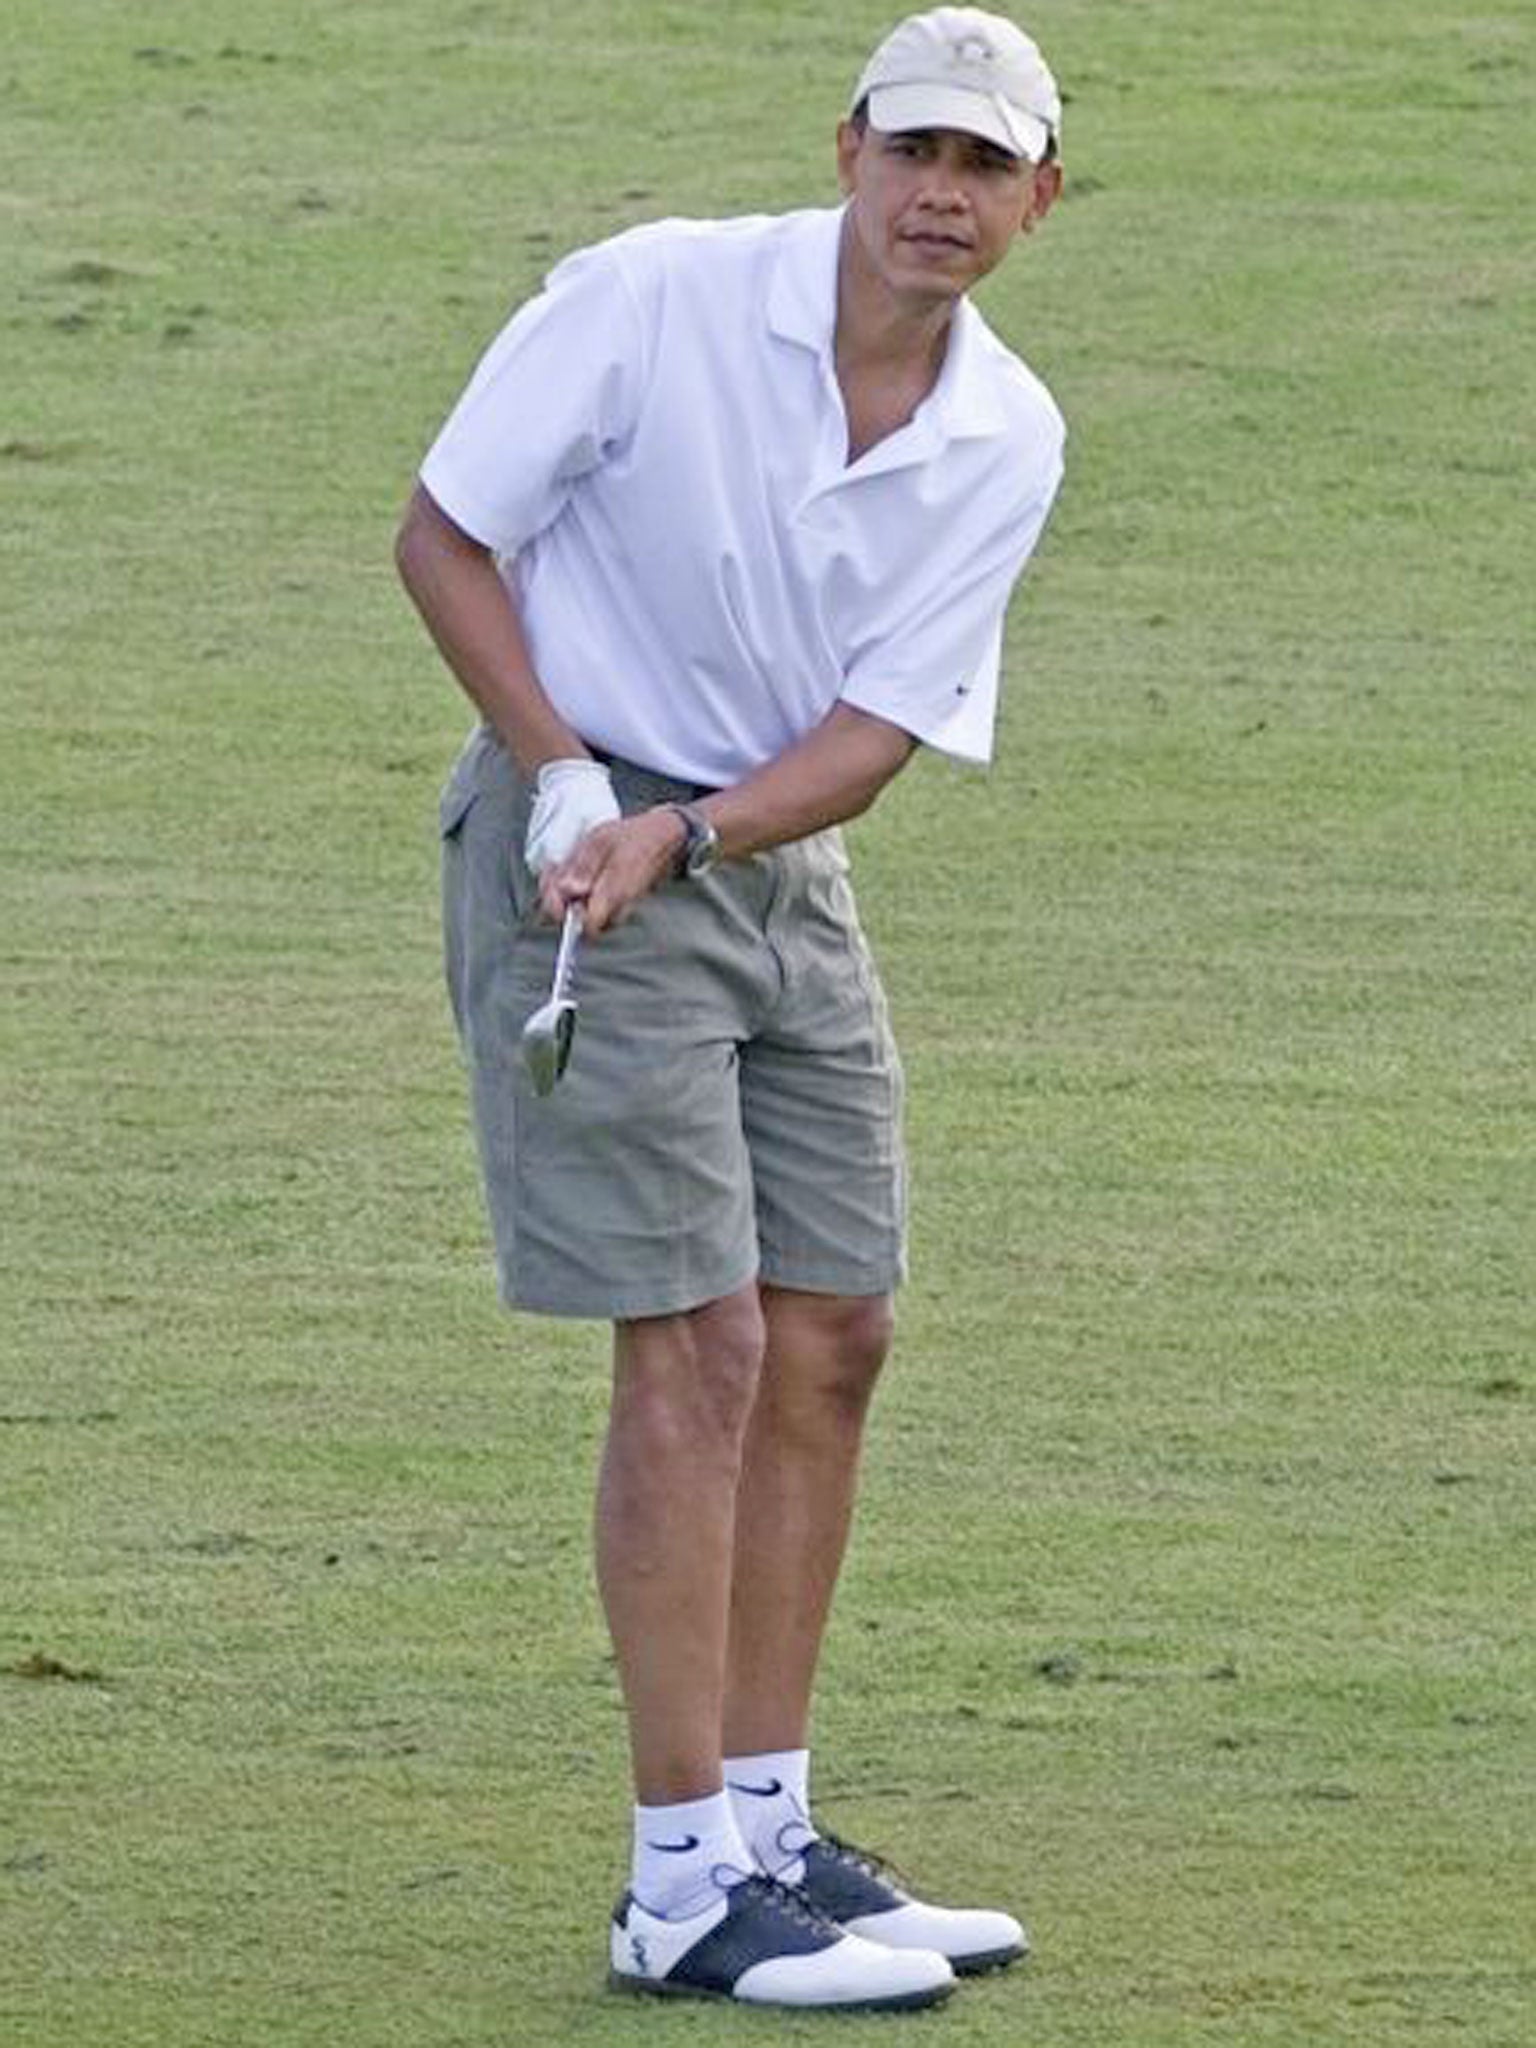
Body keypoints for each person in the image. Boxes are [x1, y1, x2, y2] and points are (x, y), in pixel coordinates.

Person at [396, 5, 1066, 2014]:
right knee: (696, 1345)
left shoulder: (1005, 430)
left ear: (1039, 198)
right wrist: (576, 782)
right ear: (850, 149)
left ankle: (771, 1827)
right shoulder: (657, 297)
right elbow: (445, 533)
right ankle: (676, 1882)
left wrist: (695, 832)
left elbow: (870, 736)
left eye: (983, 167)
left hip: (761, 859)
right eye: (914, 153)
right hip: (573, 840)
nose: (940, 197)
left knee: (835, 1327)